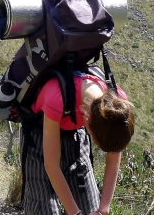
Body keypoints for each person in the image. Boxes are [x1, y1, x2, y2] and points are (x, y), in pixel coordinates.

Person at [21, 70, 135, 215]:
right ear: (87, 118)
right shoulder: (56, 96)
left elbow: (114, 152)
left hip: (75, 137)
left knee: (91, 208)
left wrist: (103, 209)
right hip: (39, 140)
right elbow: (52, 165)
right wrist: (75, 213)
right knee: (44, 209)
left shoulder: (118, 106)